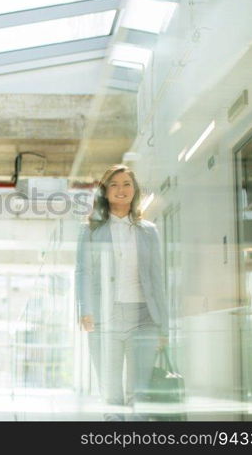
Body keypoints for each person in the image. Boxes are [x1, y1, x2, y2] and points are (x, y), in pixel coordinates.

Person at [75, 164, 168, 421]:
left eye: (127, 184)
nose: (121, 190)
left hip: (144, 318)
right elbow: (83, 272)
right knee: (112, 394)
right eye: (114, 184)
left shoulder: (149, 230)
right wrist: (85, 311)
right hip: (106, 318)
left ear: (134, 190)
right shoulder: (91, 230)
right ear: (105, 192)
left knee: (139, 395)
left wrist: (163, 326)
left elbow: (158, 280)